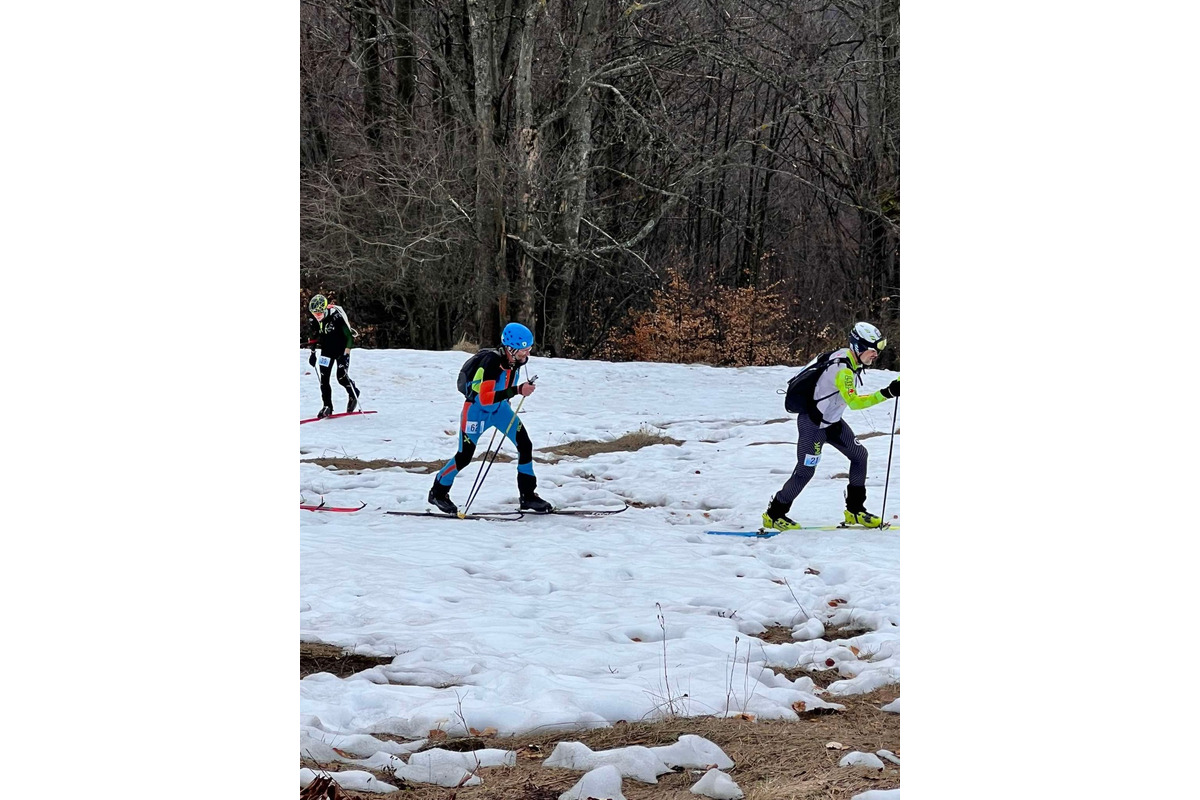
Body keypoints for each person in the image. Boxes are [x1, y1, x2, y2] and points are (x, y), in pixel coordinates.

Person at [763, 322, 900, 531]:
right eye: (873, 351)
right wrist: (888, 393)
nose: (876, 356)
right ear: (858, 347)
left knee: (859, 456)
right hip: (814, 425)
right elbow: (855, 403)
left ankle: (855, 510)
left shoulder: (848, 357)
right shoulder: (843, 370)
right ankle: (774, 514)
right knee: (805, 472)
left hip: (832, 423)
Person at [428, 322, 552, 515]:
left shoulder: (515, 362)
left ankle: (528, 496)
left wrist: (512, 394)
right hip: (476, 412)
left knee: (525, 445)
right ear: (510, 348)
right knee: (464, 456)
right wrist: (518, 390)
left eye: (528, 350)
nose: (526, 355)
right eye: (523, 351)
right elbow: (484, 399)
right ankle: (438, 492)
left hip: (500, 410)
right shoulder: (491, 363)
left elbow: (502, 389)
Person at [304, 294, 360, 419]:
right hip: (326, 351)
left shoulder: (336, 317)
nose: (316, 316)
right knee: (324, 379)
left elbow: (349, 337)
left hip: (341, 350)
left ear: (325, 309)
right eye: (314, 313)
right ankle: (327, 406)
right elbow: (314, 337)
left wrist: (346, 354)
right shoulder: (314, 320)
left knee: (341, 377)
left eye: (319, 313)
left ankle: (353, 393)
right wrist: (312, 353)